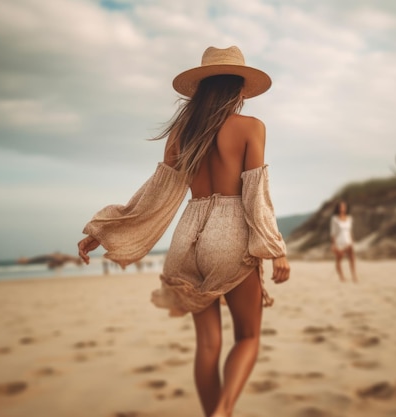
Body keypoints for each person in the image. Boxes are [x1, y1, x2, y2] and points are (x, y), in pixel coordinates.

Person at [77, 46, 290, 417]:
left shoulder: (181, 133)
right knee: (248, 337)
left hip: (186, 239)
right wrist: (276, 249)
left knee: (207, 344)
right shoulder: (251, 128)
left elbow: (157, 195)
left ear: (202, 90)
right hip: (231, 235)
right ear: (239, 89)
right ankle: (224, 411)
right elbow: (256, 195)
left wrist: (104, 230)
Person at [330, 201, 357, 283]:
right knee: (339, 259)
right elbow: (333, 232)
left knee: (352, 258)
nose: (343, 208)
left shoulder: (349, 218)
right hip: (339, 241)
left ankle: (354, 276)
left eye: (344, 206)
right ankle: (342, 277)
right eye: (341, 207)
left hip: (348, 240)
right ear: (338, 208)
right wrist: (334, 245)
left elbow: (350, 231)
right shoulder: (335, 219)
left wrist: (352, 241)